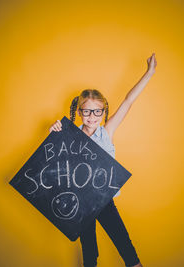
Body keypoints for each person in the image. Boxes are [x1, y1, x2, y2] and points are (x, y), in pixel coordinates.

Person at [49, 53, 157, 267]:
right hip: (80, 202)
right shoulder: (69, 136)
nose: (92, 116)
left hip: (104, 200)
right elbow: (52, 164)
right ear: (79, 112)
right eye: (87, 111)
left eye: (97, 111)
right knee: (89, 251)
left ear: (103, 112)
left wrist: (149, 73)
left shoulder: (107, 131)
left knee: (125, 245)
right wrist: (54, 132)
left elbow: (128, 101)